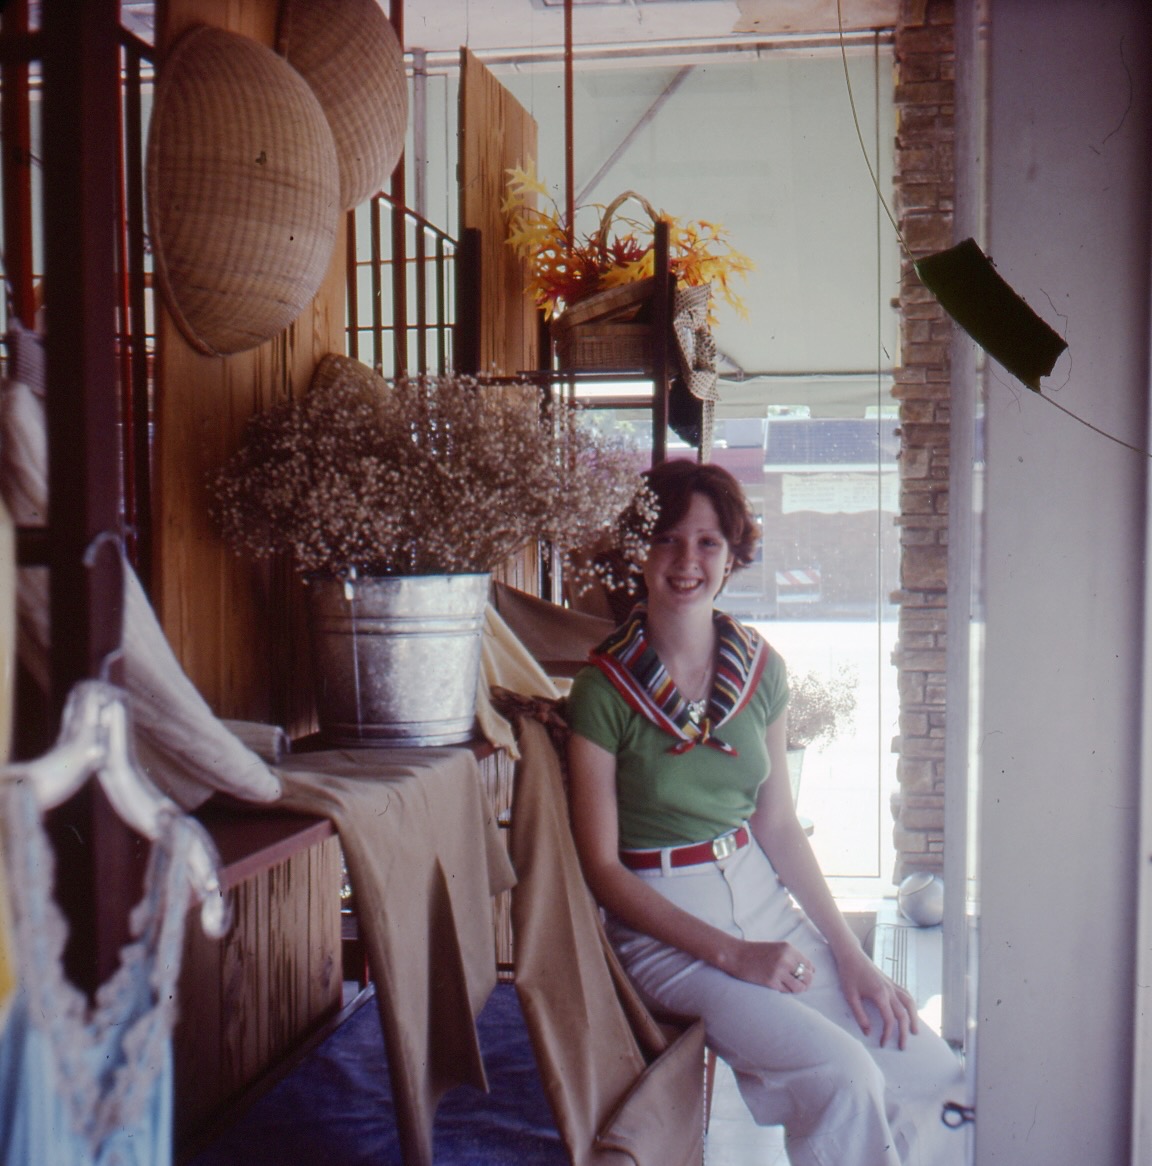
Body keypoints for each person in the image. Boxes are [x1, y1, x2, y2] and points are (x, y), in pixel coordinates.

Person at [566, 459, 967, 1166]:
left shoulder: (759, 668)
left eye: (708, 542)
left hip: (761, 898)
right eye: (667, 540)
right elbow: (601, 868)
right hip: (663, 929)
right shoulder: (604, 687)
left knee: (926, 1066)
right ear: (640, 552)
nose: (687, 561)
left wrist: (852, 958)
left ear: (733, 556)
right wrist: (733, 954)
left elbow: (776, 825)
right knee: (844, 1077)